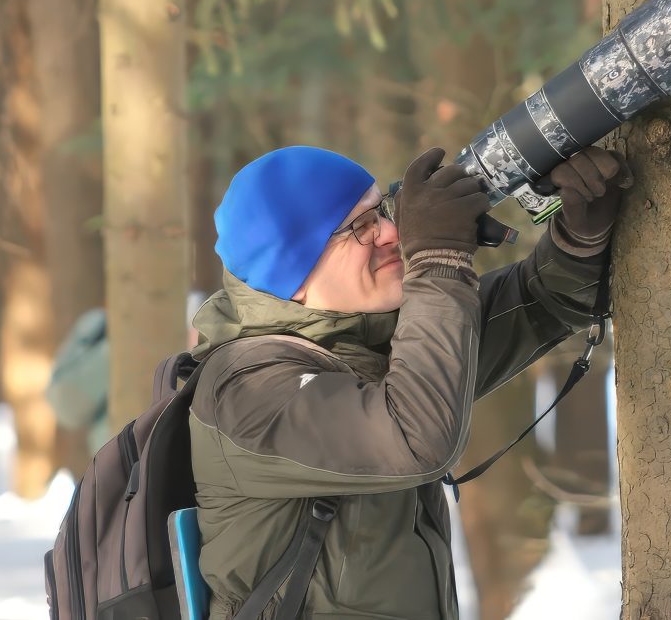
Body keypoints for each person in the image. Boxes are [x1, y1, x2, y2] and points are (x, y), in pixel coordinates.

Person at [189, 144, 630, 619]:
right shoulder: (244, 389)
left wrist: (580, 236)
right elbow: (416, 437)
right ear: (290, 271)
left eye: (382, 210)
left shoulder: (371, 341)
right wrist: (437, 259)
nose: (393, 233)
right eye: (360, 227)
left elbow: (540, 306)